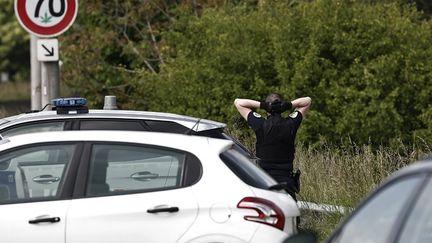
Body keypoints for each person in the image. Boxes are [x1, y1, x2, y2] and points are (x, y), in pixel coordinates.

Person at [234, 93, 311, 200]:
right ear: (282, 107)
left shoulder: (260, 124)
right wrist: (288, 105)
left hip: (264, 182)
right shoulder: (291, 123)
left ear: (267, 109)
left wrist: (263, 105)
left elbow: (238, 103)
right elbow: (307, 101)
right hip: (286, 184)